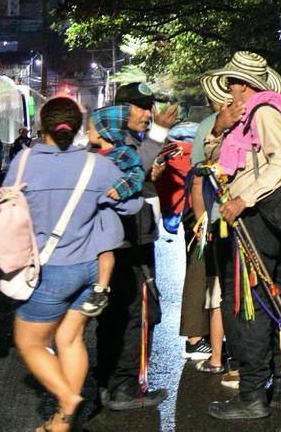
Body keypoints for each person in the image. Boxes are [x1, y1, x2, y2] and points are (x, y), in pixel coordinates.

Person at [8, 97, 140, 432]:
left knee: (30, 342)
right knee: (70, 338)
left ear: (43, 127)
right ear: (78, 128)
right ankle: (62, 423)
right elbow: (131, 205)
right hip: (91, 269)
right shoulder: (97, 166)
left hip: (50, 269)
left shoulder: (24, 162)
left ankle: (67, 399)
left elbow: (8, 206)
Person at [200, 51, 281, 420]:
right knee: (275, 299)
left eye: (232, 82)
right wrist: (218, 128)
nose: (228, 88)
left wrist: (245, 198)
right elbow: (214, 163)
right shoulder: (242, 118)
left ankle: (253, 395)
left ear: (243, 85)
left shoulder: (264, 113)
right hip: (255, 221)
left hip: (255, 222)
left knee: (249, 306)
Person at [93, 81, 178, 412]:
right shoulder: (116, 143)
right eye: (140, 107)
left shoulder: (123, 140)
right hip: (127, 243)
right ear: (120, 110)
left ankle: (108, 382)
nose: (147, 113)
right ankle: (124, 387)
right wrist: (159, 134)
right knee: (136, 313)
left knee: (117, 314)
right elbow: (127, 175)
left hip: (124, 240)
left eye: (149, 106)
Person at [179, 75, 228, 374]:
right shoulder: (210, 126)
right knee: (206, 275)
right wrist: (202, 222)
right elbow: (199, 178)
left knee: (211, 278)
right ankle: (197, 338)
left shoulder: (210, 124)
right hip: (211, 213)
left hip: (211, 213)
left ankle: (208, 340)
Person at [82, 107, 147, 318]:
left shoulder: (124, 153)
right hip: (92, 216)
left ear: (104, 131)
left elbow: (137, 174)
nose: (88, 132)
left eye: (91, 128)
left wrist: (121, 188)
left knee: (105, 250)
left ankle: (101, 288)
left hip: (109, 216)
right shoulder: (89, 154)